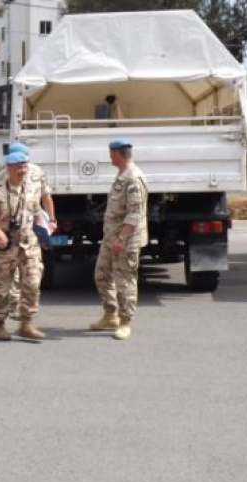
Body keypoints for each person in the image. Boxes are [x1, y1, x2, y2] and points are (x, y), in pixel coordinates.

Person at [0, 152, 46, 341]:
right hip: (5, 247)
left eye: (25, 166)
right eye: (18, 167)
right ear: (9, 169)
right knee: (1, 288)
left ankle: (26, 323)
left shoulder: (32, 189)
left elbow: (36, 211)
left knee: (33, 284)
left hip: (29, 245)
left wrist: (44, 230)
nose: (23, 171)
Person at [90, 139, 149, 340]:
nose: (109, 156)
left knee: (125, 281)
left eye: (110, 153)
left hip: (125, 240)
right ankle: (110, 315)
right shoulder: (122, 175)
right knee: (101, 275)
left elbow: (135, 214)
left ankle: (125, 322)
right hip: (112, 238)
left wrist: (122, 238)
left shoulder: (133, 178)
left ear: (117, 154)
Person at [0, 142, 57, 318]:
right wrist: (51, 219)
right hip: (31, 223)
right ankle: (22, 305)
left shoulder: (3, 173)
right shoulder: (37, 171)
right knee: (30, 265)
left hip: (14, 225)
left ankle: (17, 305)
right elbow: (47, 197)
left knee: (16, 267)